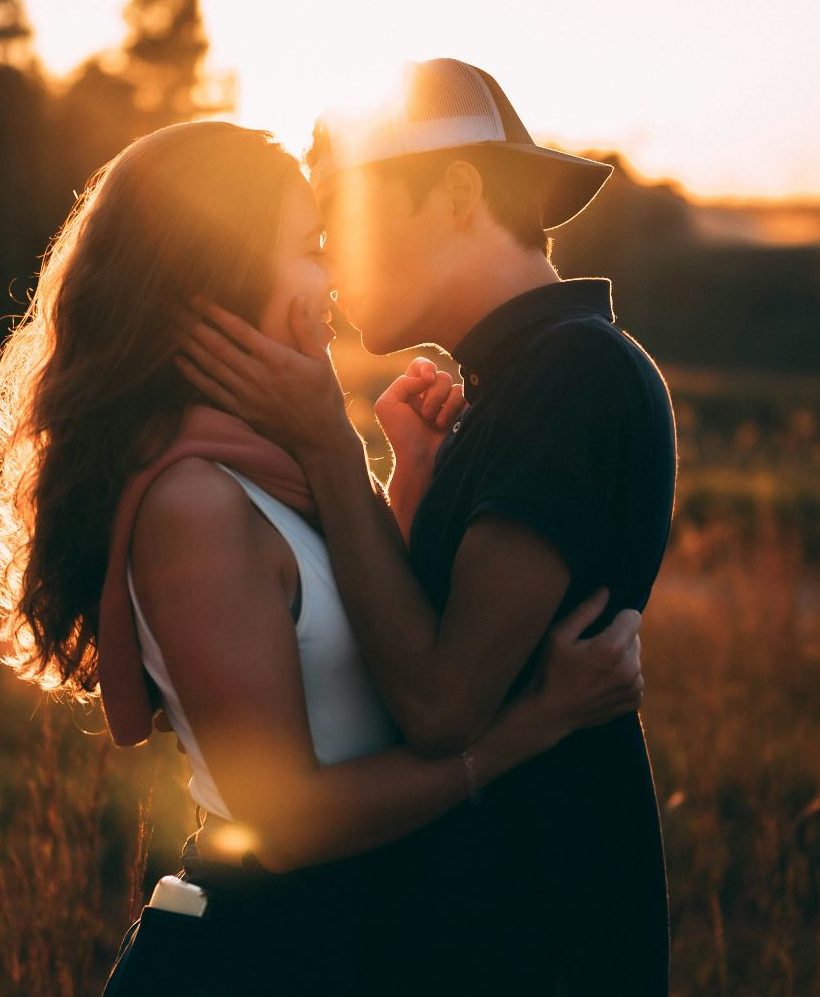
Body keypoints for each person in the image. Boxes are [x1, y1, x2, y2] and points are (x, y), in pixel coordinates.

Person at [0, 119, 648, 995]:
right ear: (220, 271)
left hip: (332, 940)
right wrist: (536, 724)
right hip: (249, 953)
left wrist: (405, 484)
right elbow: (285, 822)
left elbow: (367, 648)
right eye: (308, 248)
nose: (332, 275)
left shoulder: (277, 466)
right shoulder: (191, 502)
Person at [177, 58, 680, 993]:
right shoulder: (513, 385)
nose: (328, 267)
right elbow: (415, 648)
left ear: (454, 192)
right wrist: (405, 482)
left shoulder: (573, 376)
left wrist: (328, 444)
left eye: (345, 223)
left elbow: (443, 706)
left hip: (540, 934)